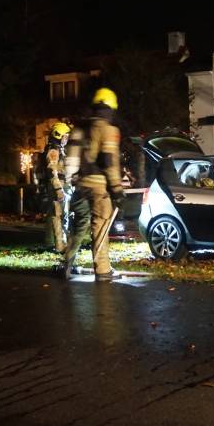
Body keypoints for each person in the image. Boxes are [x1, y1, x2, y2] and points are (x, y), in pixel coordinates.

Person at [62, 87, 125, 282]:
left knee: (79, 226)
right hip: (100, 187)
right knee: (101, 226)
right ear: (110, 109)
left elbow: (71, 158)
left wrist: (70, 178)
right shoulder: (109, 130)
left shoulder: (79, 128)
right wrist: (116, 189)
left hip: (80, 185)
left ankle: (67, 262)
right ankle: (103, 270)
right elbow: (109, 161)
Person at [39, 121, 71, 253]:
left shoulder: (59, 150)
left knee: (61, 215)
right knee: (58, 215)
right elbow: (53, 171)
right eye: (65, 136)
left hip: (63, 185)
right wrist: (59, 189)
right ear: (58, 135)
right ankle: (60, 245)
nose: (66, 139)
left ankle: (58, 242)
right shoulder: (53, 150)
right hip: (58, 186)